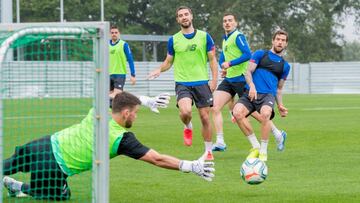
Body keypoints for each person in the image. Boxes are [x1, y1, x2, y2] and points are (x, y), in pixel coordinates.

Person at [2, 92, 215, 200]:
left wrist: (145, 100)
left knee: (6, 164)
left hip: (42, 144)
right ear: (126, 113)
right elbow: (156, 159)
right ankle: (17, 186)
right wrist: (190, 166)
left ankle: (11, 180)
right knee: (61, 195)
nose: (136, 117)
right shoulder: (122, 139)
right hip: (52, 170)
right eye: (136, 113)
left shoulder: (100, 108)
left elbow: (115, 95)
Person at [147, 6, 218, 161]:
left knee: (205, 118)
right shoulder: (173, 40)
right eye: (181, 15)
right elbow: (168, 61)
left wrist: (214, 80)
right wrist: (159, 69)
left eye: (186, 14)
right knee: (185, 112)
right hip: (182, 83)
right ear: (178, 20)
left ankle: (208, 151)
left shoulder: (205, 37)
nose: (184, 17)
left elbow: (212, 60)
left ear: (191, 16)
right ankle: (187, 126)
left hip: (201, 82)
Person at [212, 14, 287, 152]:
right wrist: (224, 67)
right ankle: (220, 141)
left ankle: (277, 133)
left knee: (255, 113)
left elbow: (247, 54)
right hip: (230, 79)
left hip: (242, 78)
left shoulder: (238, 36)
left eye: (230, 21)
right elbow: (224, 55)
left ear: (236, 23)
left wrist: (230, 63)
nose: (227, 23)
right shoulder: (225, 39)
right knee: (215, 106)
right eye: (225, 21)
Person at [232, 29, 290, 162]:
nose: (280, 42)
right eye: (278, 39)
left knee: (265, 114)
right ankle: (255, 146)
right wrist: (252, 86)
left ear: (286, 44)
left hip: (267, 95)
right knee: (237, 112)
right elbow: (248, 72)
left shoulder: (285, 66)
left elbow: (279, 89)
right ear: (273, 41)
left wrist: (280, 105)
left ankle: (263, 151)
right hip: (250, 94)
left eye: (283, 40)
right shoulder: (260, 54)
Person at [109, 25, 136, 98]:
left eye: (116, 32)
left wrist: (133, 75)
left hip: (120, 74)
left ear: (119, 33)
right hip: (108, 75)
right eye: (112, 33)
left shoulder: (124, 44)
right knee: (111, 100)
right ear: (109, 34)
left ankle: (134, 101)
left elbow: (130, 59)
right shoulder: (106, 44)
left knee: (116, 96)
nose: (114, 34)